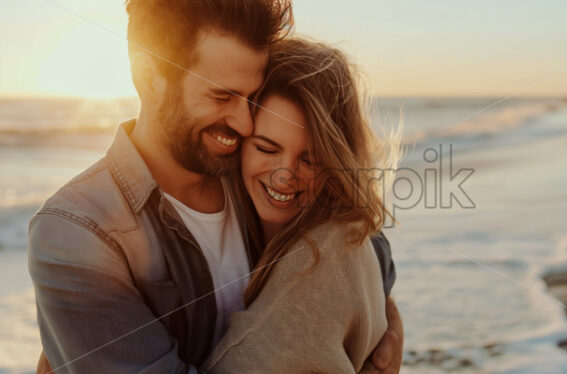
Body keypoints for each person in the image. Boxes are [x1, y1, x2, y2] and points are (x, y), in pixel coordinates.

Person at [29, 1, 403, 373]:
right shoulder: (78, 234)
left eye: (252, 97)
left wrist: (386, 315)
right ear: (149, 78)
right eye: (222, 96)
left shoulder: (245, 168)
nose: (244, 123)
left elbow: (357, 232)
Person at [201, 38, 399, 373]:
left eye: (309, 159)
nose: (284, 176)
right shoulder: (218, 214)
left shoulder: (330, 251)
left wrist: (391, 325)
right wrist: (393, 320)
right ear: (241, 142)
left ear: (337, 164)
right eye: (266, 148)